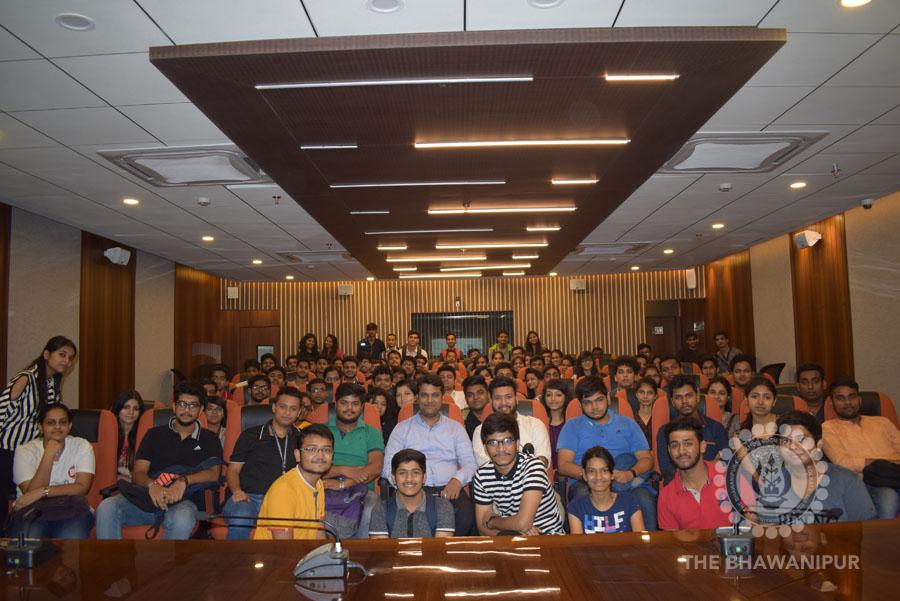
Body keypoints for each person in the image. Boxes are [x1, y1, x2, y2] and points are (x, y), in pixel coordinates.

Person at [96, 383, 223, 540]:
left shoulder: (210, 439)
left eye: (193, 405)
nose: (187, 410)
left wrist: (184, 481)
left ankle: (166, 558)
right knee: (107, 507)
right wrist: (152, 485)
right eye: (182, 404)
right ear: (174, 406)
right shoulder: (154, 434)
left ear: (201, 409)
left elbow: (214, 473)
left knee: (182, 518)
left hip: (182, 502)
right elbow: (138, 473)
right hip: (146, 498)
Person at [556, 375, 657, 529]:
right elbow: (563, 465)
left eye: (599, 400)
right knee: (582, 494)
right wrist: (594, 476)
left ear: (608, 399)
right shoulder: (572, 426)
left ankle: (649, 543)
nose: (594, 407)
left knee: (644, 498)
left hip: (625, 479)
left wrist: (631, 473)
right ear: (580, 405)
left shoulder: (628, 424)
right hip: (586, 482)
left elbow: (646, 459)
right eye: (588, 402)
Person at [382, 373, 477, 536]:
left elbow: (470, 464)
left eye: (435, 395)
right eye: (424, 395)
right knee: (413, 525)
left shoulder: (456, 428)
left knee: (465, 519)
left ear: (442, 397)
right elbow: (388, 467)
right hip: (413, 488)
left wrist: (457, 480)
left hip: (449, 489)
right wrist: (407, 485)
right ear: (417, 398)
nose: (430, 400)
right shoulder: (402, 429)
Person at [0, 336, 77, 527]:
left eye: (70, 358)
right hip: (6, 450)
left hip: (28, 453)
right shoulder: (26, 379)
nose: (66, 361)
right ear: (46, 354)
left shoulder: (52, 384)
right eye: (62, 355)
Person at [223, 388, 303, 539]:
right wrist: (237, 491)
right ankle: (236, 555)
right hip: (250, 498)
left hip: (285, 500)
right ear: (274, 408)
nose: (287, 412)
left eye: (293, 409)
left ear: (299, 412)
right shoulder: (251, 435)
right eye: (282, 407)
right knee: (242, 515)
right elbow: (233, 470)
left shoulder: (302, 438)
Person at [10, 404, 95, 538]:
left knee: (72, 537)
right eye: (51, 423)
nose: (57, 427)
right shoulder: (24, 451)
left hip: (72, 511)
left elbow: (82, 487)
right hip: (33, 511)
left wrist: (43, 492)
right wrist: (48, 454)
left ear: (70, 426)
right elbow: (30, 493)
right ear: (40, 427)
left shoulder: (82, 446)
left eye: (63, 422)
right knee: (30, 537)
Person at [472, 413, 565, 536]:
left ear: (517, 443)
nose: (501, 449)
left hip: (548, 537)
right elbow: (482, 528)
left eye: (507, 441)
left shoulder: (533, 467)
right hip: (509, 537)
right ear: (485, 448)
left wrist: (492, 522)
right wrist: (512, 531)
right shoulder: (482, 475)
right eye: (493, 443)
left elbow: (522, 524)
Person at [822, 376, 900, 520]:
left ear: (859, 400)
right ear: (832, 403)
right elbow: (843, 463)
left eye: (852, 397)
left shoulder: (883, 422)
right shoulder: (827, 428)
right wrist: (884, 464)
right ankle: (882, 535)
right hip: (868, 483)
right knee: (888, 498)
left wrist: (887, 465)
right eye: (840, 398)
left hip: (896, 474)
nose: (847, 403)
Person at [776, 411, 876, 523]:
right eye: (786, 441)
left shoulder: (848, 482)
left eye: (801, 439)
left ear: (818, 445)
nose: (793, 446)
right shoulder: (773, 483)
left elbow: (868, 529)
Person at [324, 383, 384, 538]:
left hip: (361, 490)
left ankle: (359, 550)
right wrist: (344, 470)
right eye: (344, 403)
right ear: (336, 404)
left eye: (355, 404)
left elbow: (376, 466)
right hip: (325, 486)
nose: (349, 408)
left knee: (372, 506)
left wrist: (344, 483)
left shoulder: (372, 433)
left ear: (362, 407)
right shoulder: (321, 431)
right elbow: (313, 466)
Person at [254, 424, 333, 539]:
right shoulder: (284, 491)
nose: (320, 456)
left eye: (326, 450)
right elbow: (284, 546)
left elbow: (319, 532)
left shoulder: (318, 483)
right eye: (311, 449)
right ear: (297, 455)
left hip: (305, 549)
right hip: (279, 550)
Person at [657, 416, 732, 531]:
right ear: (669, 451)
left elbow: (750, 524)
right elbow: (672, 540)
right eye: (675, 445)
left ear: (702, 447)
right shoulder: (666, 496)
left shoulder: (731, 480)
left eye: (688, 444)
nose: (681, 451)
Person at [656, 375, 729, 484]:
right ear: (672, 402)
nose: (684, 401)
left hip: (713, 484)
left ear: (697, 396)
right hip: (679, 486)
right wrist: (710, 465)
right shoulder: (664, 431)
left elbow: (726, 460)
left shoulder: (716, 428)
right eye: (678, 397)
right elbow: (668, 470)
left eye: (689, 395)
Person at [369, 449, 455, 538]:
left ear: (424, 477)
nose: (409, 479)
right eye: (402, 473)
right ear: (394, 478)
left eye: (415, 473)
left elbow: (440, 546)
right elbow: (382, 547)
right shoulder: (381, 510)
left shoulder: (442, 507)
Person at [472, 376, 551, 467]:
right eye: (497, 398)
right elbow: (486, 466)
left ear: (516, 399)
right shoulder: (480, 431)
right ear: (491, 401)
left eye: (508, 397)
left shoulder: (535, 424)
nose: (503, 403)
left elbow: (542, 462)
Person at [567, 446, 644, 534]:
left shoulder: (630, 502)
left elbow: (641, 539)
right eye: (591, 471)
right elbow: (578, 542)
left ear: (612, 474)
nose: (598, 477)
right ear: (584, 475)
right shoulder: (576, 507)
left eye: (604, 470)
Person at [112, 389, 145, 482]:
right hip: (111, 484)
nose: (131, 412)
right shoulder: (108, 433)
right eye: (126, 407)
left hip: (135, 485)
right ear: (118, 408)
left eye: (136, 409)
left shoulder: (144, 434)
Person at [542, 378, 572, 470]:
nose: (553, 399)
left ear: (566, 397)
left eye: (558, 395)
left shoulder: (572, 423)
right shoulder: (539, 423)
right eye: (548, 395)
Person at [462, 375, 491, 439]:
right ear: (465, 399)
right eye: (470, 395)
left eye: (480, 393)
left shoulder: (498, 414)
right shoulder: (462, 420)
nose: (475, 397)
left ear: (488, 394)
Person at [633, 377, 658, 445]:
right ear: (636, 394)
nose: (645, 396)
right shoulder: (631, 417)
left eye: (650, 393)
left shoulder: (660, 418)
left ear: (656, 396)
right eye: (641, 392)